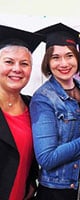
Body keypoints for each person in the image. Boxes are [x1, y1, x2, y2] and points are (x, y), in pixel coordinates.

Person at [29, 23, 80, 200]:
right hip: (60, 191)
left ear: (78, 58)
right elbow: (46, 157)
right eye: (56, 57)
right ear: (48, 61)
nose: (64, 63)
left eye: (69, 56)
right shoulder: (43, 99)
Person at [0, 25, 42, 199]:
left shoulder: (33, 106)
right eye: (9, 62)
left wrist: (32, 180)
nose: (17, 69)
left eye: (24, 64)